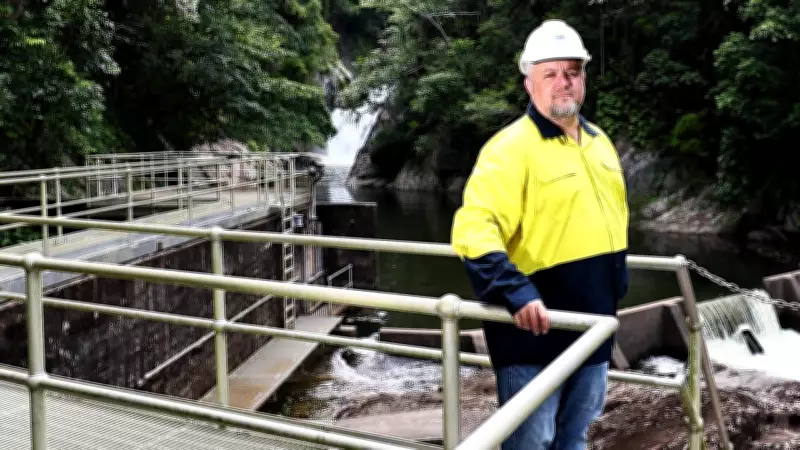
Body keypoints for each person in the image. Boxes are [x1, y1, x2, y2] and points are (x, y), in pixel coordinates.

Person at [450, 19, 630, 450]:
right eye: (550, 73)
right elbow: (474, 229)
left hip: (593, 329)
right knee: (531, 443)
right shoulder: (509, 148)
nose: (563, 83)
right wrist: (516, 291)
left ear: (584, 77)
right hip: (535, 333)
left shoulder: (599, 142)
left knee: (574, 439)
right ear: (529, 82)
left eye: (572, 71)